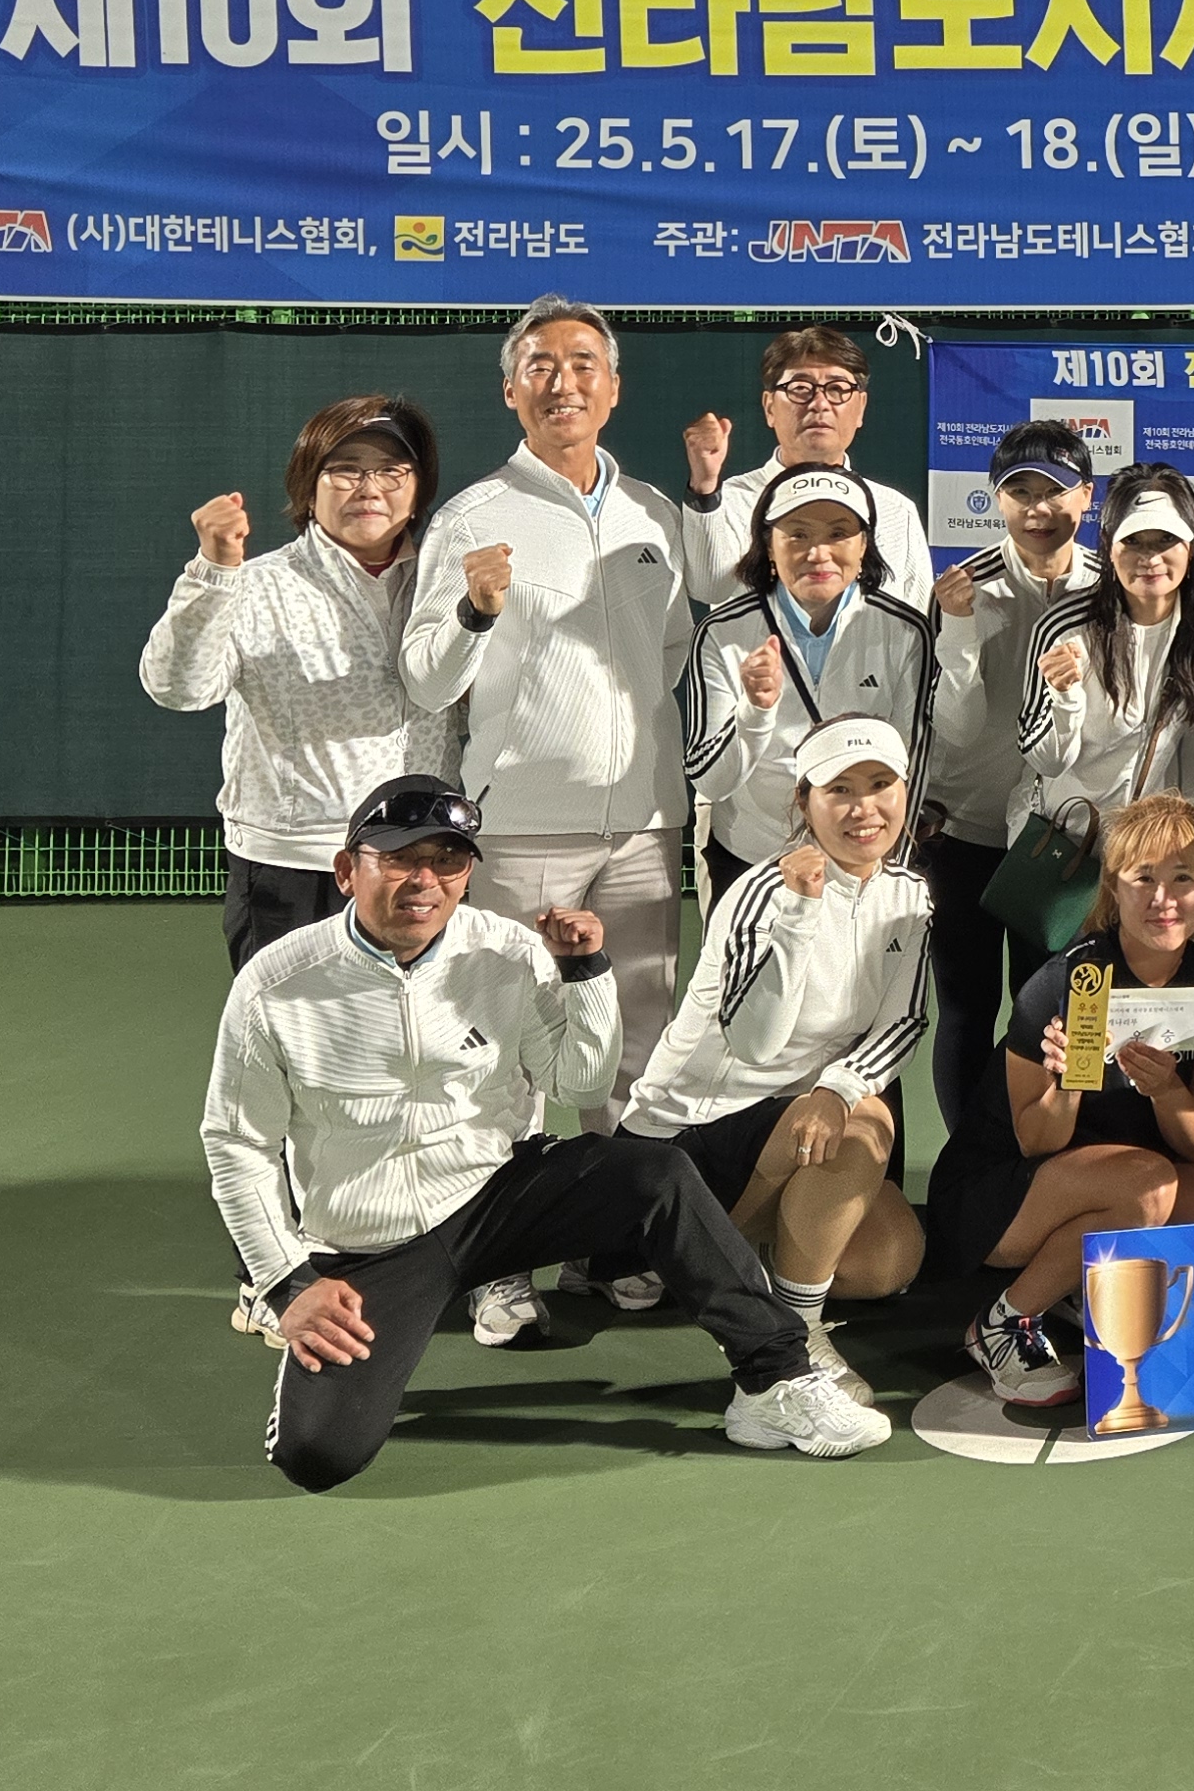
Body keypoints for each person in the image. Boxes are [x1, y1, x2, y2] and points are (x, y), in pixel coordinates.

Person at [200, 774, 882, 1488]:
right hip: (372, 1247)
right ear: (348, 871)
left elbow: (578, 1085)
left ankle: (774, 1382)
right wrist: (288, 1282)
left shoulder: (505, 950)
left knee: (655, 1176)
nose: (425, 880)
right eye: (400, 858)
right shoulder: (277, 984)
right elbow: (238, 1144)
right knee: (317, 1455)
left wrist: (586, 974)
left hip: (495, 1197)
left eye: (447, 861)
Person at [400, 298, 693, 1171]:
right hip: (519, 830)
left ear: (613, 388)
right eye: (541, 366)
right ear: (511, 390)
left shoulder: (653, 512)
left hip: (644, 828)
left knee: (638, 1043)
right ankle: (501, 1236)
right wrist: (473, 611)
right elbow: (425, 680)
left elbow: (672, 654)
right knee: (506, 1043)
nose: (563, 382)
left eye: (582, 364)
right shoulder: (472, 516)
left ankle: (627, 1226)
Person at [621, 718, 934, 1402]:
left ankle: (748, 1262)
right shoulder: (762, 892)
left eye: (880, 785)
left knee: (888, 1259)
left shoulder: (908, 895)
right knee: (864, 1122)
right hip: (681, 1147)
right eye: (839, 790)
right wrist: (801, 912)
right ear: (803, 802)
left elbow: (905, 1020)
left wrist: (836, 1086)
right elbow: (755, 1044)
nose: (864, 808)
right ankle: (793, 1338)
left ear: (905, 792)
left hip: (781, 1135)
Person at [935, 791, 1194, 1413]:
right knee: (1149, 1181)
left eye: (1182, 878)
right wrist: (1070, 1081)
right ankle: (1003, 1323)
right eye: (1143, 879)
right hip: (1004, 1195)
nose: (1163, 899)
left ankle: (1076, 1285)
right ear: (1113, 888)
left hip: (1114, 1182)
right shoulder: (1065, 981)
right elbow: (1035, 1141)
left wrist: (1166, 1090)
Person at [141, 392, 460, 972]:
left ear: (419, 490)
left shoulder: (447, 587)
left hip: (424, 861)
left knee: (419, 1027)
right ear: (308, 489)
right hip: (291, 868)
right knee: (291, 1031)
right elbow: (178, 688)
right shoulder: (253, 583)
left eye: (392, 471)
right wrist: (213, 570)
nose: (369, 488)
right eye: (346, 470)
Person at [918, 418, 1098, 1136]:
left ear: (1086, 497)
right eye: (1019, 493)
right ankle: (970, 1161)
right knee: (965, 1006)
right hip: (963, 828)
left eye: (1054, 492)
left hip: (1062, 838)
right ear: (997, 500)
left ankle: (1046, 1151)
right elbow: (954, 727)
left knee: (1050, 1007)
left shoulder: (1113, 587)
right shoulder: (962, 590)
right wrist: (959, 627)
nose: (1037, 509)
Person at [682, 462, 937, 907]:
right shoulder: (723, 631)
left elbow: (910, 765)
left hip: (863, 865)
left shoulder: (905, 630)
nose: (818, 553)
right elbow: (712, 780)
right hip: (751, 858)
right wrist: (756, 711)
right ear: (768, 544)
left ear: (864, 545)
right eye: (798, 534)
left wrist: (886, 863)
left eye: (838, 533)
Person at [1020, 464, 1194, 837]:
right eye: (1134, 540)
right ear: (1109, 547)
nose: (1150, 558)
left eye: (1165, 540)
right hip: (1067, 841)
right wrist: (1064, 698)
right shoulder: (1064, 627)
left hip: (1153, 847)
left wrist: (1192, 838)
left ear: (1190, 545)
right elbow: (1048, 762)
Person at [672, 323, 933, 610]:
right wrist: (705, 487)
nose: (819, 404)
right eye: (800, 389)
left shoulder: (895, 511)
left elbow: (918, 620)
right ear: (769, 407)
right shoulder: (731, 499)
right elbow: (708, 589)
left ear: (860, 408)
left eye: (837, 389)